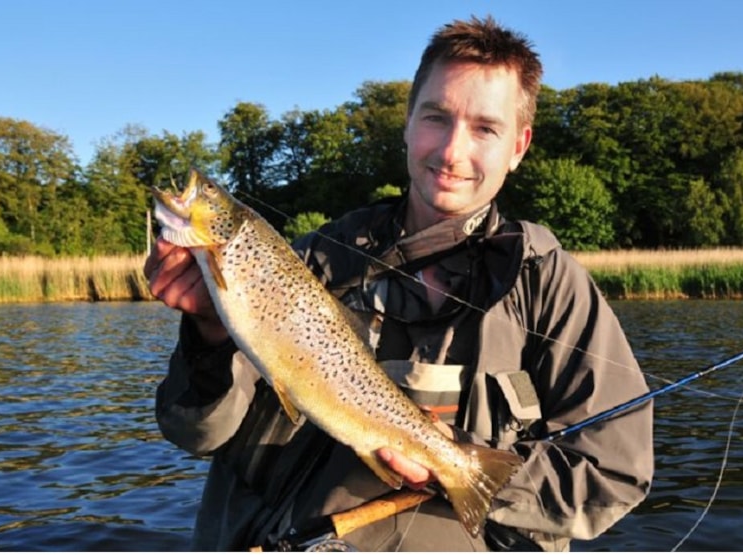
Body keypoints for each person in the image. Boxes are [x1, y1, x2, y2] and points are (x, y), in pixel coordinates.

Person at [144, 16, 653, 551]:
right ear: (408, 123)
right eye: (437, 117)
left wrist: (454, 467)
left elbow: (614, 475)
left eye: (485, 128)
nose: (452, 152)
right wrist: (208, 332)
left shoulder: (549, 284)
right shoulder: (306, 265)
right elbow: (197, 434)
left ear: (519, 146)